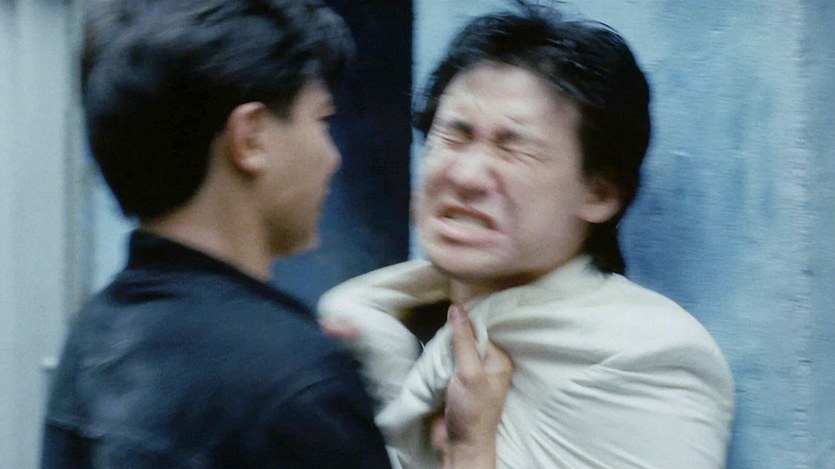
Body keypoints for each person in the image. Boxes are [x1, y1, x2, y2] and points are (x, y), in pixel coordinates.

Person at [41, 1, 511, 468]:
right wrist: (469, 448)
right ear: (250, 139)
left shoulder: (94, 336)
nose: (331, 157)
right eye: (320, 120)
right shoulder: (296, 385)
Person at [318, 3, 735, 468]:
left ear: (599, 193)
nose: (467, 176)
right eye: (453, 137)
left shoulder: (647, 356)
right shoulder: (370, 323)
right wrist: (384, 363)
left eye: (513, 149)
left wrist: (470, 451)